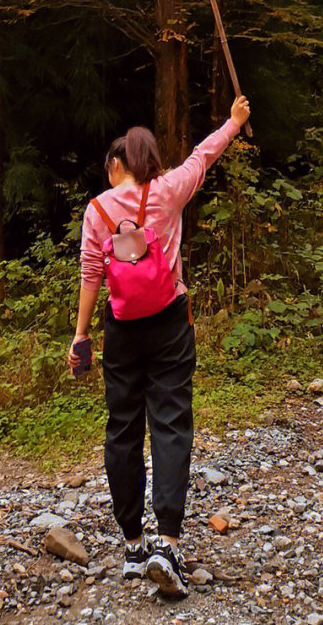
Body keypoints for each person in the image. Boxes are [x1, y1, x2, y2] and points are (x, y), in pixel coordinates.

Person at [67, 93, 251, 598]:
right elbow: (202, 156)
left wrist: (81, 337)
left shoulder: (97, 211)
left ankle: (132, 545)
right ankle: (167, 543)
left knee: (122, 430)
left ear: (117, 163)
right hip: (170, 322)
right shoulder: (168, 193)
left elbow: (90, 276)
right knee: (170, 424)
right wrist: (233, 123)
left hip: (122, 330)